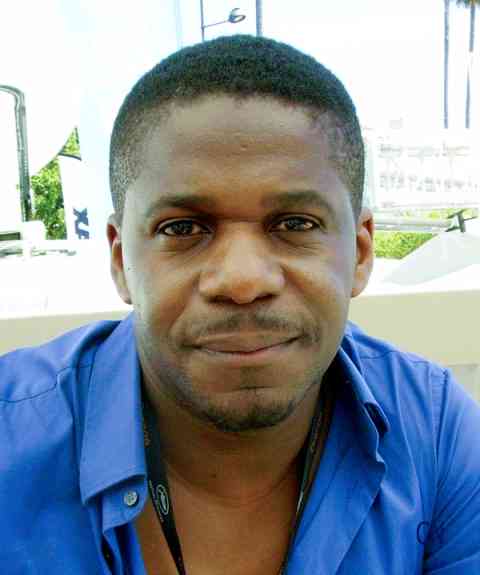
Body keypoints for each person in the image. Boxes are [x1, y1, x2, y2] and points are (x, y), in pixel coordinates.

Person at [1, 34, 479, 575]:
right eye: (183, 228)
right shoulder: (11, 439)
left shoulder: (435, 435)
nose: (243, 280)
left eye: (295, 223)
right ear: (120, 260)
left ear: (361, 253)